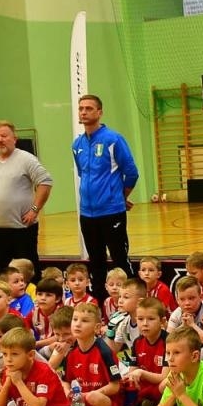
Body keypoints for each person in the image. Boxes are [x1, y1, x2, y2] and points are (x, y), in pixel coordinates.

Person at [0, 120, 54, 272]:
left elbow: (45, 182)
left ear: (14, 139)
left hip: (23, 229)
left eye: (4, 136)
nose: (0, 140)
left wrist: (34, 209)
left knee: (27, 271)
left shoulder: (26, 159)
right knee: (3, 272)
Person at [73, 94, 140, 274]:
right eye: (81, 108)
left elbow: (131, 173)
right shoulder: (77, 144)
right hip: (87, 214)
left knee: (120, 259)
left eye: (89, 108)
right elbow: (83, 174)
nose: (84, 112)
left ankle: (132, 299)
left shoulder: (113, 139)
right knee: (96, 262)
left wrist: (121, 196)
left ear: (100, 112)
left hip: (112, 212)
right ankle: (100, 301)